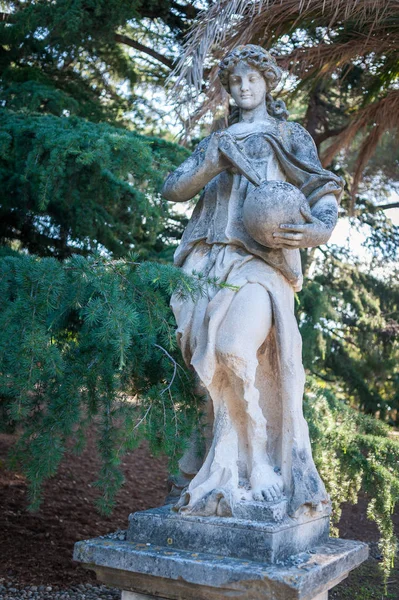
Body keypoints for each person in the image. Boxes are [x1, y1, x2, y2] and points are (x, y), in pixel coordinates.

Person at [162, 45, 343, 518]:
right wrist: (212, 163)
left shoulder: (289, 134)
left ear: (268, 82)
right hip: (205, 264)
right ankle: (224, 464)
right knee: (207, 373)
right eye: (235, 81)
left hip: (261, 262)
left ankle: (261, 462)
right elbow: (173, 188)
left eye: (252, 78)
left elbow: (323, 189)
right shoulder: (216, 142)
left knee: (233, 350)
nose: (244, 87)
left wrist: (319, 228)